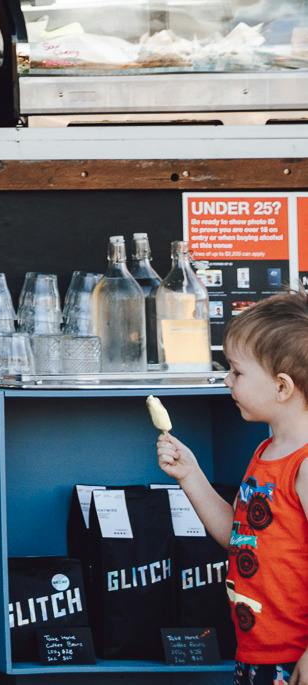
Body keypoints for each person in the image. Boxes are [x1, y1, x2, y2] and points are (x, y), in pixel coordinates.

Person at [157, 293, 308, 685]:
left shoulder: (304, 465)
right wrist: (191, 475)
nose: (227, 380)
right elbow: (239, 537)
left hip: (294, 659)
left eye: (237, 372)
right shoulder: (264, 453)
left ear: (282, 387)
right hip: (255, 652)